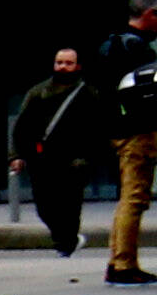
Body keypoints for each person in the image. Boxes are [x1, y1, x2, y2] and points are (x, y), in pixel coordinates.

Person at [100, 0, 157, 281]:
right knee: (135, 198)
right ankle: (124, 265)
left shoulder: (110, 44)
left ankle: (117, 260)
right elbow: (151, 93)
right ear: (150, 14)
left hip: (116, 126)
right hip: (138, 129)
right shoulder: (138, 49)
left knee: (127, 197)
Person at [5, 45, 103, 261]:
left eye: (68, 63)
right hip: (42, 158)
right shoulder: (38, 92)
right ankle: (67, 240)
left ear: (77, 66)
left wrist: (88, 158)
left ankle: (65, 244)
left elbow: (96, 129)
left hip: (75, 161)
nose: (63, 67)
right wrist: (16, 156)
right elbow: (21, 128)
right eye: (59, 62)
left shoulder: (88, 94)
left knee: (70, 204)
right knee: (44, 207)